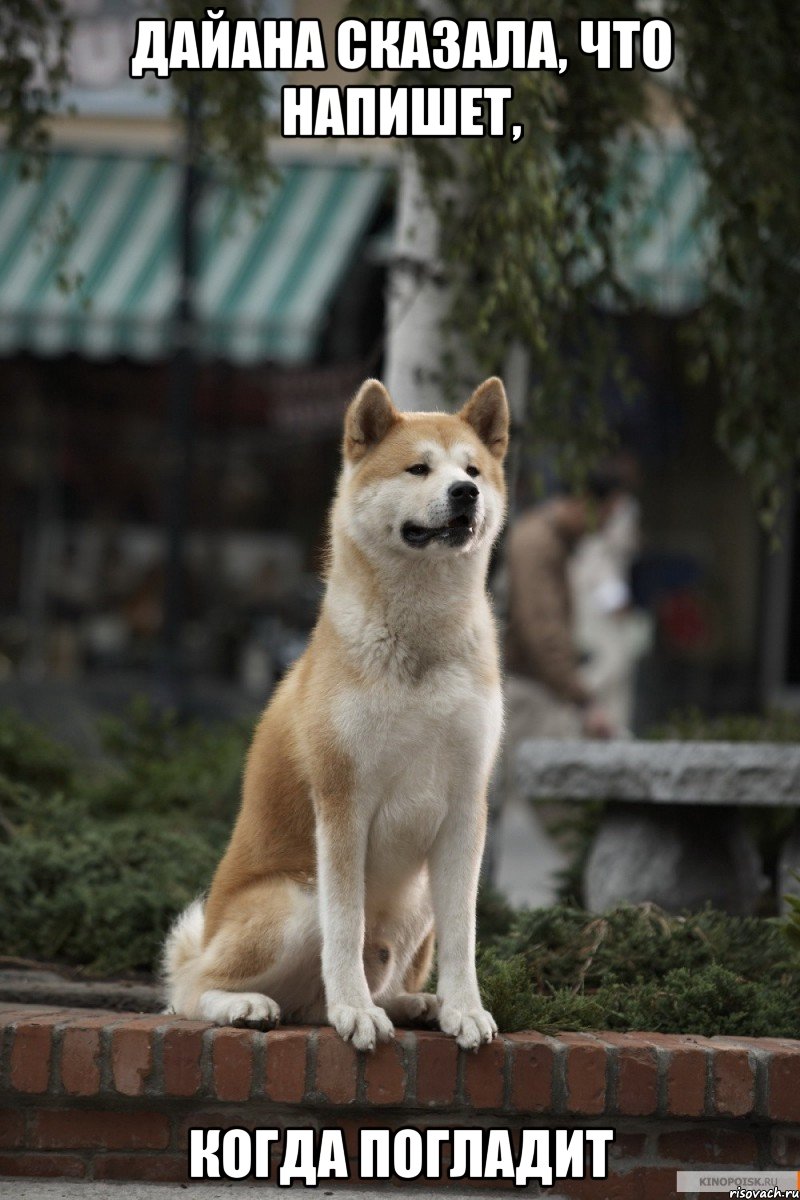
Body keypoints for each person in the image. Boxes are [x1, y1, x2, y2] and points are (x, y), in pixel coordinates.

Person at [503, 470, 627, 743]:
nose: (605, 527)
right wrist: (583, 701)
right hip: (527, 691)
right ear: (586, 502)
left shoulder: (551, 541)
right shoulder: (538, 544)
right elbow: (542, 630)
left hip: (537, 687)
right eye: (606, 515)